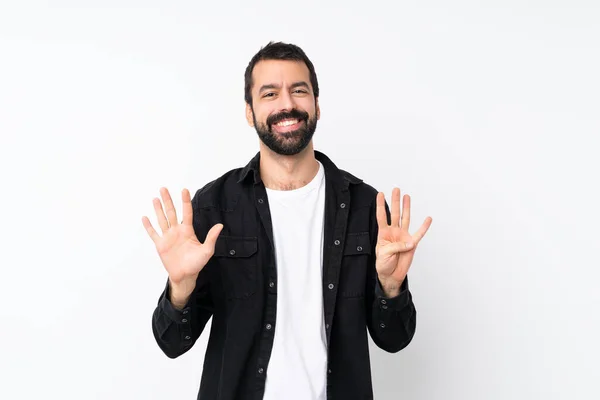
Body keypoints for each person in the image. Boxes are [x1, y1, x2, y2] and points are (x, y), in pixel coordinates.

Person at [143, 41, 433, 400]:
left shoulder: (364, 206)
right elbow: (172, 342)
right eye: (270, 93)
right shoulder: (213, 206)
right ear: (249, 111)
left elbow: (395, 339)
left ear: (317, 105)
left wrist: (391, 287)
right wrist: (180, 287)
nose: (287, 104)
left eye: (299, 90)